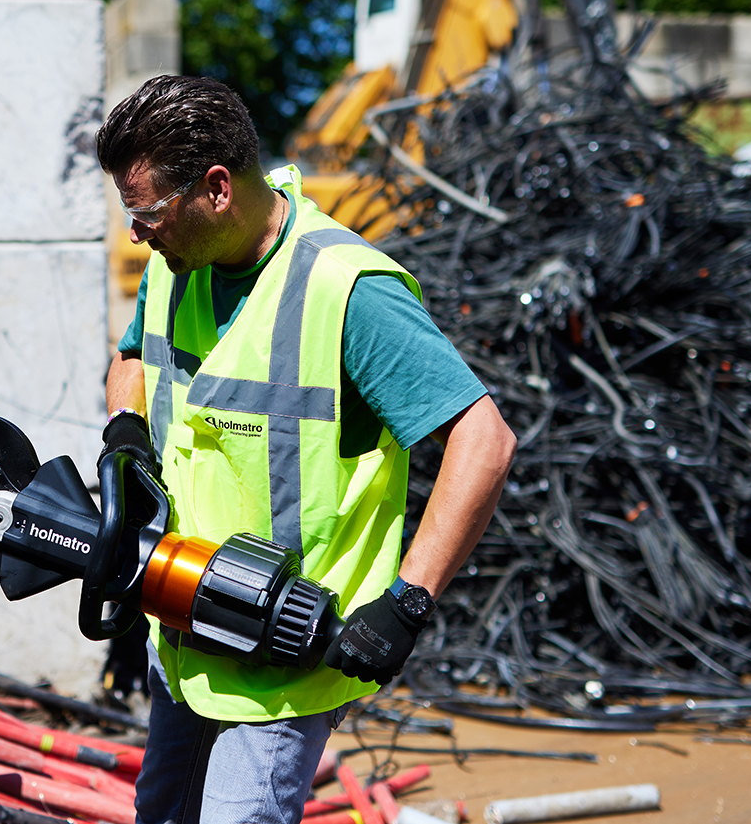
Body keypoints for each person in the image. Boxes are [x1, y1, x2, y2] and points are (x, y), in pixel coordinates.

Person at [95, 75, 515, 824]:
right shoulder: (173, 271)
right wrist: (125, 431)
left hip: (282, 655)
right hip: (186, 629)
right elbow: (130, 358)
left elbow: (483, 440)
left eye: (148, 212)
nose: (138, 233)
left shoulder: (346, 290)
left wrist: (407, 603)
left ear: (217, 188)